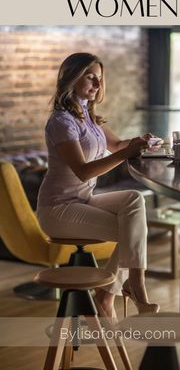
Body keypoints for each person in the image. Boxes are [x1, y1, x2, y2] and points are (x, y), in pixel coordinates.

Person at [37, 52, 160, 319]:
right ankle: (122, 290)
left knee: (133, 200)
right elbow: (82, 171)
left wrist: (140, 142)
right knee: (132, 230)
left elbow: (116, 146)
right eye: (90, 76)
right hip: (58, 209)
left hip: (81, 200)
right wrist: (126, 154)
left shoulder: (86, 116)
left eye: (100, 78)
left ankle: (115, 290)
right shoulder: (61, 122)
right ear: (71, 77)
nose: (97, 84)